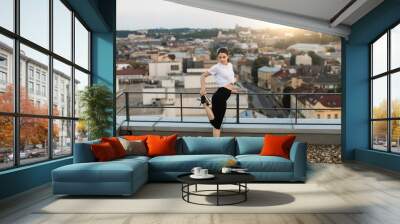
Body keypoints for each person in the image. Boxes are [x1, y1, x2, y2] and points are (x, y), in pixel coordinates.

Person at [199, 47, 239, 137]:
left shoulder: (230, 65)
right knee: (217, 124)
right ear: (218, 57)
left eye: (224, 57)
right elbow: (202, 76)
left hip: (224, 95)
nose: (222, 59)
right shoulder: (216, 67)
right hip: (219, 97)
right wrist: (203, 89)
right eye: (220, 57)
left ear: (228, 56)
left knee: (217, 124)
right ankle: (205, 104)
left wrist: (232, 89)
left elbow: (229, 81)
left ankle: (205, 103)